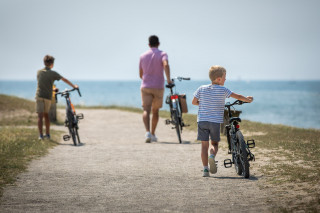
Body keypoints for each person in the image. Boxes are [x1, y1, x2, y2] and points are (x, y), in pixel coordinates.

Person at [192, 65, 253, 177]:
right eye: (225, 77)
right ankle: (212, 156)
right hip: (214, 121)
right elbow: (238, 96)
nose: (226, 79)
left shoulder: (201, 88)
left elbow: (194, 102)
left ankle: (205, 170)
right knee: (214, 144)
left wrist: (205, 104)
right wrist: (248, 99)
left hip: (202, 121)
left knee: (204, 146)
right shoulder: (223, 90)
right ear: (219, 79)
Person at [35, 55, 78, 140]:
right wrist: (74, 86)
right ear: (52, 64)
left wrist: (53, 90)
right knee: (46, 115)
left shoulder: (39, 72)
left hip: (39, 95)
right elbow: (64, 79)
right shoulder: (53, 73)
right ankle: (47, 135)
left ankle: (40, 136)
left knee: (40, 116)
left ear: (44, 63)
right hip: (47, 97)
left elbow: (43, 85)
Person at [139, 35, 172, 143]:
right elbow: (165, 65)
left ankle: (147, 132)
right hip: (158, 86)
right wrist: (168, 80)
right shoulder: (163, 54)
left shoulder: (142, 56)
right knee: (155, 110)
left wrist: (146, 79)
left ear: (149, 44)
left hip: (146, 86)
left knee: (146, 110)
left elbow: (140, 74)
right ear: (158, 43)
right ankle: (153, 133)